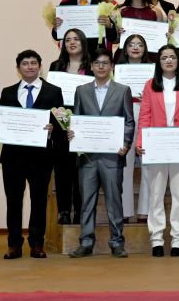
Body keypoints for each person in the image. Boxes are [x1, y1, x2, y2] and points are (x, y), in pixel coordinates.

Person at [0, 50, 63, 259]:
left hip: (41, 156)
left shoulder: (54, 91)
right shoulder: (8, 92)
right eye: (25, 63)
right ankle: (14, 244)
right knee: (13, 200)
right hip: (13, 157)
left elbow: (63, 122)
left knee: (39, 200)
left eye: (33, 63)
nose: (30, 67)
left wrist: (54, 128)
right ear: (18, 68)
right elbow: (3, 122)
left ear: (40, 66)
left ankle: (36, 243)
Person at [67, 49, 135, 258]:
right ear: (92, 66)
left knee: (114, 200)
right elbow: (76, 118)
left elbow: (129, 121)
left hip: (113, 156)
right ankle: (86, 242)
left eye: (105, 63)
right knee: (86, 201)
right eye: (97, 63)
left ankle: (117, 242)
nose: (101, 67)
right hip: (87, 157)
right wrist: (73, 133)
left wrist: (125, 143)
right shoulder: (81, 90)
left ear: (112, 66)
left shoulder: (123, 90)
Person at [136, 44, 179, 257]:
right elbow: (144, 115)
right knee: (156, 193)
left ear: (178, 60)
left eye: (172, 57)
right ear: (159, 62)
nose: (169, 61)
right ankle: (157, 239)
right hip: (157, 146)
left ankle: (178, 239)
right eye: (164, 58)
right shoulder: (150, 84)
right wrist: (141, 141)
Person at [49, 28, 92, 225]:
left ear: (83, 42)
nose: (72, 43)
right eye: (67, 40)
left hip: (84, 123)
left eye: (76, 39)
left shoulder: (92, 67)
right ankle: (64, 210)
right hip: (60, 125)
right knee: (62, 169)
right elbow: (50, 97)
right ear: (63, 44)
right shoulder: (56, 66)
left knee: (81, 171)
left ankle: (80, 211)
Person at [115, 34, 153, 222]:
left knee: (147, 163)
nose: (136, 47)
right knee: (125, 164)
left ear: (145, 48)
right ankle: (124, 211)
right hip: (124, 113)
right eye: (131, 44)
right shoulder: (117, 70)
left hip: (148, 113)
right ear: (125, 48)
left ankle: (144, 211)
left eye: (140, 44)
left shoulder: (154, 70)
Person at [52, 0, 117, 57]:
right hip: (71, 59)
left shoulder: (102, 5)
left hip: (95, 59)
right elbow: (56, 36)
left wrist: (109, 25)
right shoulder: (65, 5)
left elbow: (112, 37)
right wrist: (56, 28)